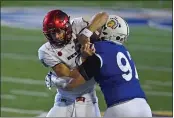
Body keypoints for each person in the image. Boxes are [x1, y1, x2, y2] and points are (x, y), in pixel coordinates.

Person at [48, 15, 152, 117]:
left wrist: (54, 80)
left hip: (121, 108)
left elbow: (74, 83)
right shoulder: (123, 50)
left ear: (106, 31)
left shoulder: (98, 49)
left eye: (100, 28)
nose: (96, 30)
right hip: (144, 107)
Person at [38, 9, 108, 117]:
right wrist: (84, 57)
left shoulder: (77, 25)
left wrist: (86, 34)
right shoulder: (46, 51)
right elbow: (72, 78)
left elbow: (103, 16)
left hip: (88, 98)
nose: (56, 36)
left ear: (67, 27)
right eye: (52, 33)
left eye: (58, 31)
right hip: (64, 100)